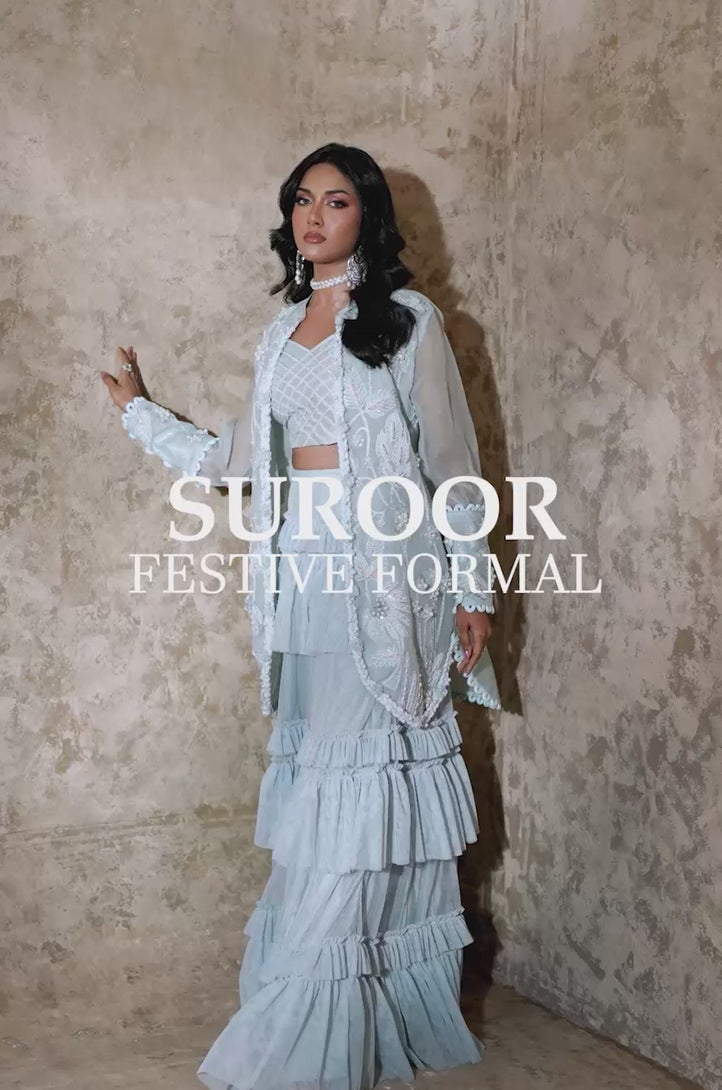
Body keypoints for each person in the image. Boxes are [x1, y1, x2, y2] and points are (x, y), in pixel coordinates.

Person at [101, 142, 501, 1090]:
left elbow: (451, 463)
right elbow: (246, 458)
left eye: (336, 201)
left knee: (366, 773)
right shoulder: (280, 333)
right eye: (302, 201)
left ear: (368, 217)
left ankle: (312, 1024)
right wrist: (141, 415)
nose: (314, 217)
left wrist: (472, 588)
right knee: (326, 777)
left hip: (391, 569)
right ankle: (334, 997)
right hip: (300, 570)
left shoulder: (408, 321)